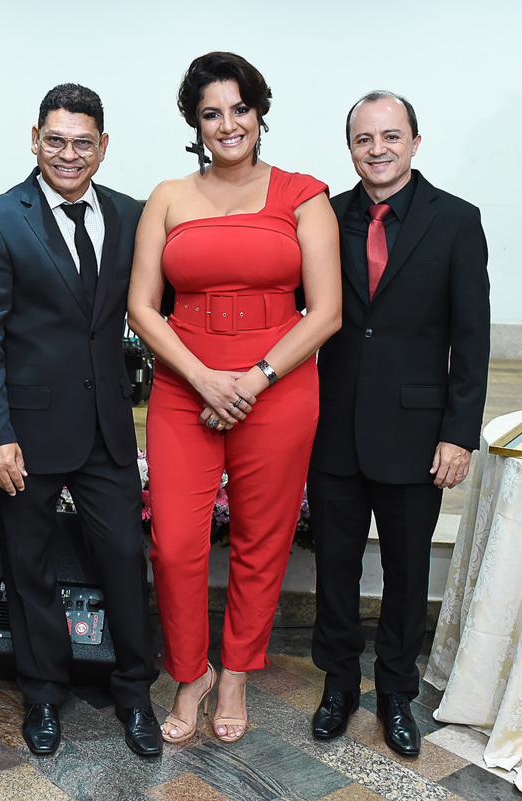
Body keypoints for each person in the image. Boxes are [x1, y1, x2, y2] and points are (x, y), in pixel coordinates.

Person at [127, 52, 342, 745]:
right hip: (183, 385)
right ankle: (190, 673)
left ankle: (237, 672)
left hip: (276, 387)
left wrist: (250, 380)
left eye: (240, 109)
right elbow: (141, 307)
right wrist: (203, 378)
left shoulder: (304, 195)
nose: (228, 124)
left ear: (260, 113)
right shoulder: (167, 196)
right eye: (211, 113)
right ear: (195, 123)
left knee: (262, 539)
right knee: (175, 545)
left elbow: (327, 311)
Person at [0, 84, 161, 757]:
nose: (68, 154)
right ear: (34, 140)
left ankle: (135, 691)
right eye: (55, 140)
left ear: (102, 147)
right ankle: (43, 693)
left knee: (125, 559)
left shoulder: (131, 215)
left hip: (106, 427)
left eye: (82, 143)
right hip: (25, 432)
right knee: (30, 568)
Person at [309, 91, 490, 756]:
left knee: (408, 574)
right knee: (334, 568)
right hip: (333, 427)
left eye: (390, 136)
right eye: (364, 138)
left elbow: (472, 338)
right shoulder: (324, 218)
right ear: (350, 148)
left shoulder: (457, 221)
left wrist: (459, 433)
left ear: (415, 142)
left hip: (417, 434)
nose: (377, 149)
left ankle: (395, 691)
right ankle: (338, 686)